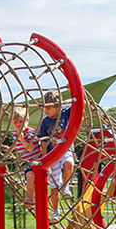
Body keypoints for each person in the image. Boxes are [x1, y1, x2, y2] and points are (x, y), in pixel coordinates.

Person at [37, 91, 76, 219]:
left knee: (69, 163)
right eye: (44, 107)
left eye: (49, 107)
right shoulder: (45, 121)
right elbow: (43, 141)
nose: (46, 110)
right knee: (54, 185)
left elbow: (80, 104)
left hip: (65, 149)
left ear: (58, 106)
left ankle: (66, 186)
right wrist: (45, 158)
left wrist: (73, 89)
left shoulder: (65, 114)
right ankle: (55, 211)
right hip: (52, 153)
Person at [11, 106, 42, 207]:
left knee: (35, 179)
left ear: (27, 121)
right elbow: (17, 144)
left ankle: (31, 199)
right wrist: (10, 149)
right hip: (26, 162)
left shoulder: (31, 133)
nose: (18, 124)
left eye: (20, 121)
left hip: (37, 160)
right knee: (29, 176)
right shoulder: (15, 134)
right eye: (15, 122)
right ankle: (30, 200)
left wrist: (21, 137)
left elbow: (30, 148)